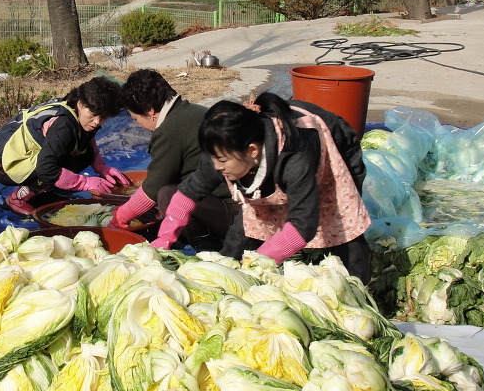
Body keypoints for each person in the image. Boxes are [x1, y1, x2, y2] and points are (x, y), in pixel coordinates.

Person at [150, 92, 373, 281]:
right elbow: (190, 191)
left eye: (222, 160)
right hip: (272, 164)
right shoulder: (223, 150)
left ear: (252, 151)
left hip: (334, 149)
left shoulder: (295, 158)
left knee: (341, 227)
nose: (216, 167)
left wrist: (259, 261)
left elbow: (304, 223)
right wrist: (165, 238)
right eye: (213, 158)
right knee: (247, 230)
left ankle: (361, 287)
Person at [107, 69, 236, 247]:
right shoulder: (189, 110)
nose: (139, 125)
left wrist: (120, 217)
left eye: (136, 119)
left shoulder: (170, 130)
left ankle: (206, 245)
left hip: (234, 212)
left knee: (167, 195)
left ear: (150, 110)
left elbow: (153, 188)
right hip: (232, 205)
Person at [0, 76, 130, 215]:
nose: (97, 122)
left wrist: (101, 166)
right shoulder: (63, 125)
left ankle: (43, 189)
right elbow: (47, 168)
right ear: (80, 104)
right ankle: (17, 199)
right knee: (58, 166)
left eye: (103, 117)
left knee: (85, 155)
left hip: (26, 153)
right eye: (93, 114)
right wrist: (84, 183)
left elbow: (87, 140)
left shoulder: (77, 110)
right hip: (1, 163)